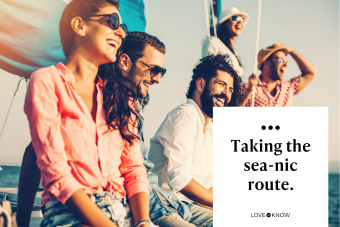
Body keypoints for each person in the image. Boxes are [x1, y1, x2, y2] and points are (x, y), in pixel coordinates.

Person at [22, 0, 154, 226]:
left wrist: (143, 221)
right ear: (79, 26)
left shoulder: (123, 96)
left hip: (123, 210)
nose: (120, 33)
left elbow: (133, 169)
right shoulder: (47, 82)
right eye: (112, 21)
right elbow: (56, 172)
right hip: (69, 212)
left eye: (122, 28)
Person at [148, 54, 243, 226]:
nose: (226, 94)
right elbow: (180, 180)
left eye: (230, 89)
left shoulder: (210, 126)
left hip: (190, 206)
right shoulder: (185, 115)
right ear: (200, 84)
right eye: (221, 84)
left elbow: (210, 183)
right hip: (166, 205)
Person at [242, 43, 318, 107]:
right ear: (267, 63)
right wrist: (249, 90)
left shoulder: (289, 88)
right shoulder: (247, 88)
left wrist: (291, 51)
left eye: (286, 61)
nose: (286, 64)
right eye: (281, 60)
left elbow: (311, 73)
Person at [202, 7, 249, 76]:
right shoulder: (213, 42)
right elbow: (208, 70)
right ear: (225, 23)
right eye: (235, 18)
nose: (240, 22)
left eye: (242, 19)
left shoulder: (235, 53)